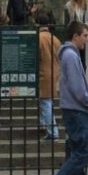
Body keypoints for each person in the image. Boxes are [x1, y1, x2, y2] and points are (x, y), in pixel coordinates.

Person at [42, 20, 88, 175]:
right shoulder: (71, 56)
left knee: (76, 152)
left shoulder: (69, 55)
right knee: (83, 152)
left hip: (72, 108)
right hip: (77, 109)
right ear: (75, 36)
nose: (86, 40)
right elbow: (77, 89)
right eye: (84, 36)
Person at [36, 12, 61, 140]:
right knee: (46, 102)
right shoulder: (55, 38)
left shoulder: (38, 38)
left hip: (43, 73)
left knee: (45, 102)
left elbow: (36, 57)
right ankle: (44, 124)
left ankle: (53, 131)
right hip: (54, 72)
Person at [63, 0, 88, 70]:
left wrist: (81, 28)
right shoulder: (68, 5)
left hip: (84, 35)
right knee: (73, 57)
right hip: (73, 35)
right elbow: (66, 21)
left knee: (83, 59)